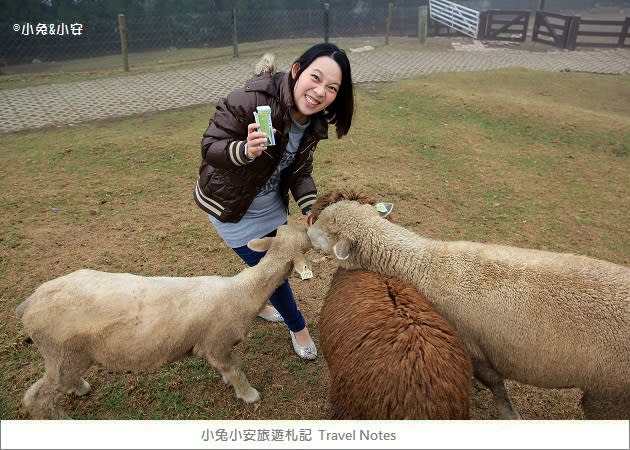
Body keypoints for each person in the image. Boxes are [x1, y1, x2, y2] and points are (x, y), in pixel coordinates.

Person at [193, 43, 355, 360]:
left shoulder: (313, 123)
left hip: (272, 208)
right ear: (296, 70)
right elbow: (210, 146)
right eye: (316, 78)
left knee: (268, 267)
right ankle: (299, 327)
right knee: (276, 273)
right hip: (233, 210)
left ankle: (261, 302)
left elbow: (299, 172)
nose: (320, 92)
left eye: (332, 88)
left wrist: (311, 208)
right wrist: (244, 150)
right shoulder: (250, 100)